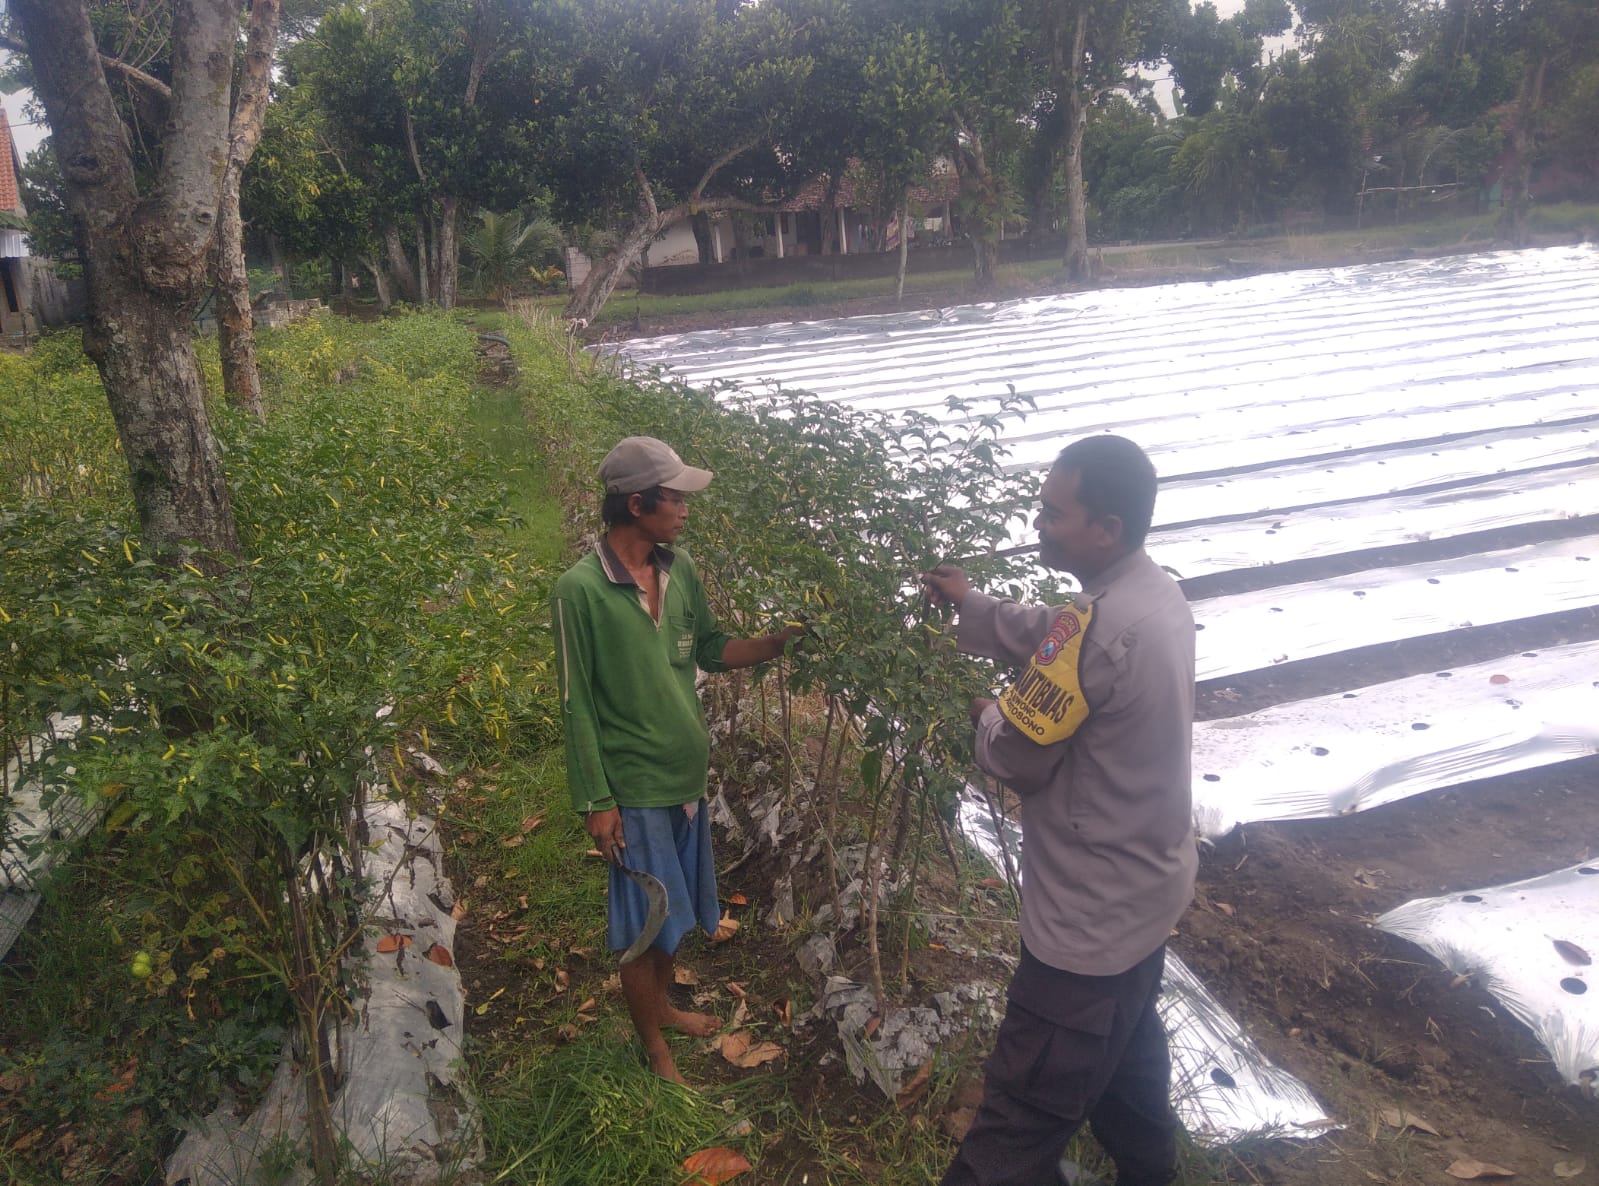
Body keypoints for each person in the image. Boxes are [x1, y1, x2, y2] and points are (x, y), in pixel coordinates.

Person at [922, 434, 1197, 1186]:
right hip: (1146, 894)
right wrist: (973, 607)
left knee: (1014, 1125)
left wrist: (983, 710)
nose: (1037, 523)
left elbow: (1014, 753)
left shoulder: (1098, 630)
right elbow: (1060, 635)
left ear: (1102, 530)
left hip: (1085, 927)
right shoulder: (1153, 593)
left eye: (1052, 513)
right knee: (1127, 1077)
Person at [553, 436, 803, 1083]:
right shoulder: (578, 591)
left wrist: (774, 643)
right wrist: (596, 802)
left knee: (678, 910)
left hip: (684, 778)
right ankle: (653, 1046)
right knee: (646, 920)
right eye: (676, 498)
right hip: (631, 787)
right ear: (637, 503)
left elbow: (713, 648)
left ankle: (660, 1008)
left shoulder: (679, 570)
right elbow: (576, 703)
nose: (686, 510)